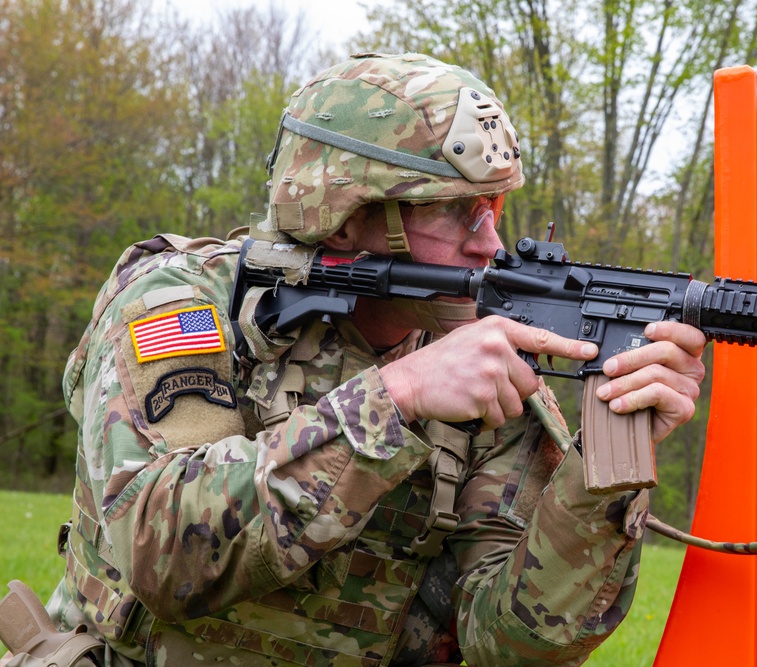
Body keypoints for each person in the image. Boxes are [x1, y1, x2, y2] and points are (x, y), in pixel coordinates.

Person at [40, 53, 705, 666]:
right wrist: (398, 396)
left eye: (494, 209)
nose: (491, 244)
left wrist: (601, 475)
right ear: (349, 213)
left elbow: (509, 643)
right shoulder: (186, 302)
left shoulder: (495, 371)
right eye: (457, 213)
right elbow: (163, 551)